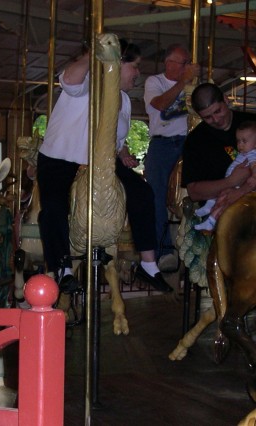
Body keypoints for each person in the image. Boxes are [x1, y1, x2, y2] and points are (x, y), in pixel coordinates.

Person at [36, 38, 173, 294]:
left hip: (102, 162)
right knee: (54, 205)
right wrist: (93, 55)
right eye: (135, 66)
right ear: (118, 64)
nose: (137, 73)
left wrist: (123, 153)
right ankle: (62, 267)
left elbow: (115, 137)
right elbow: (69, 80)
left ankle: (148, 262)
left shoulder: (125, 100)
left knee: (142, 193)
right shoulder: (88, 83)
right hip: (62, 157)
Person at [143, 44, 199, 260]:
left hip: (189, 141)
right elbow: (159, 105)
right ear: (169, 63)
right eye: (184, 63)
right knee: (154, 194)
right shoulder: (154, 82)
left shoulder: (192, 85)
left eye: (189, 63)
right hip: (163, 144)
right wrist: (184, 81)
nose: (188, 67)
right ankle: (161, 248)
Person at [182, 83, 256, 220]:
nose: (216, 120)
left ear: (225, 99)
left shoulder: (252, 124)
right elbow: (193, 191)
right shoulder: (195, 140)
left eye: (218, 111)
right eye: (208, 117)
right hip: (220, 210)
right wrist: (231, 181)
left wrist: (241, 191)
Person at [194, 121, 256, 231]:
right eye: (238, 141)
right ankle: (210, 208)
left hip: (237, 186)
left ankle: (211, 220)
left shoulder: (252, 154)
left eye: (244, 141)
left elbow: (254, 167)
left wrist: (253, 176)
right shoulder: (244, 153)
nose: (240, 145)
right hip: (233, 183)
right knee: (219, 194)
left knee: (223, 201)